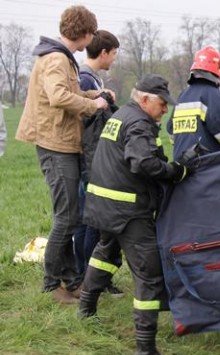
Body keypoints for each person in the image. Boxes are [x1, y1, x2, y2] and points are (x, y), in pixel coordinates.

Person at [78, 74, 189, 355]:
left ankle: (85, 310)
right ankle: (145, 350)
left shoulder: (122, 116)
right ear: (145, 100)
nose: (165, 110)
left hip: (104, 204)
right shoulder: (140, 123)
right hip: (127, 209)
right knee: (149, 276)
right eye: (162, 104)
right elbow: (142, 163)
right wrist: (175, 171)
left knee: (105, 253)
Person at [15, 5, 109, 305]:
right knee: (66, 218)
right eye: (91, 34)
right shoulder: (56, 58)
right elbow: (58, 97)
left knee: (70, 216)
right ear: (83, 33)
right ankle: (51, 283)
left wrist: (96, 96)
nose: (91, 41)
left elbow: (68, 91)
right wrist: (92, 107)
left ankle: (71, 281)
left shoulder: (60, 57)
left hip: (63, 143)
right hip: (54, 144)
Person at [74, 29, 123, 297]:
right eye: (114, 54)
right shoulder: (84, 78)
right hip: (90, 161)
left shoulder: (91, 79)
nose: (114, 59)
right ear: (104, 53)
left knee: (87, 220)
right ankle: (90, 279)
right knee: (92, 222)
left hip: (90, 160)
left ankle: (86, 277)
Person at [167, 46, 220, 161]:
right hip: (205, 169)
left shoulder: (183, 95)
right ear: (216, 72)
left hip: (181, 169)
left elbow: (171, 135)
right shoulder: (213, 95)